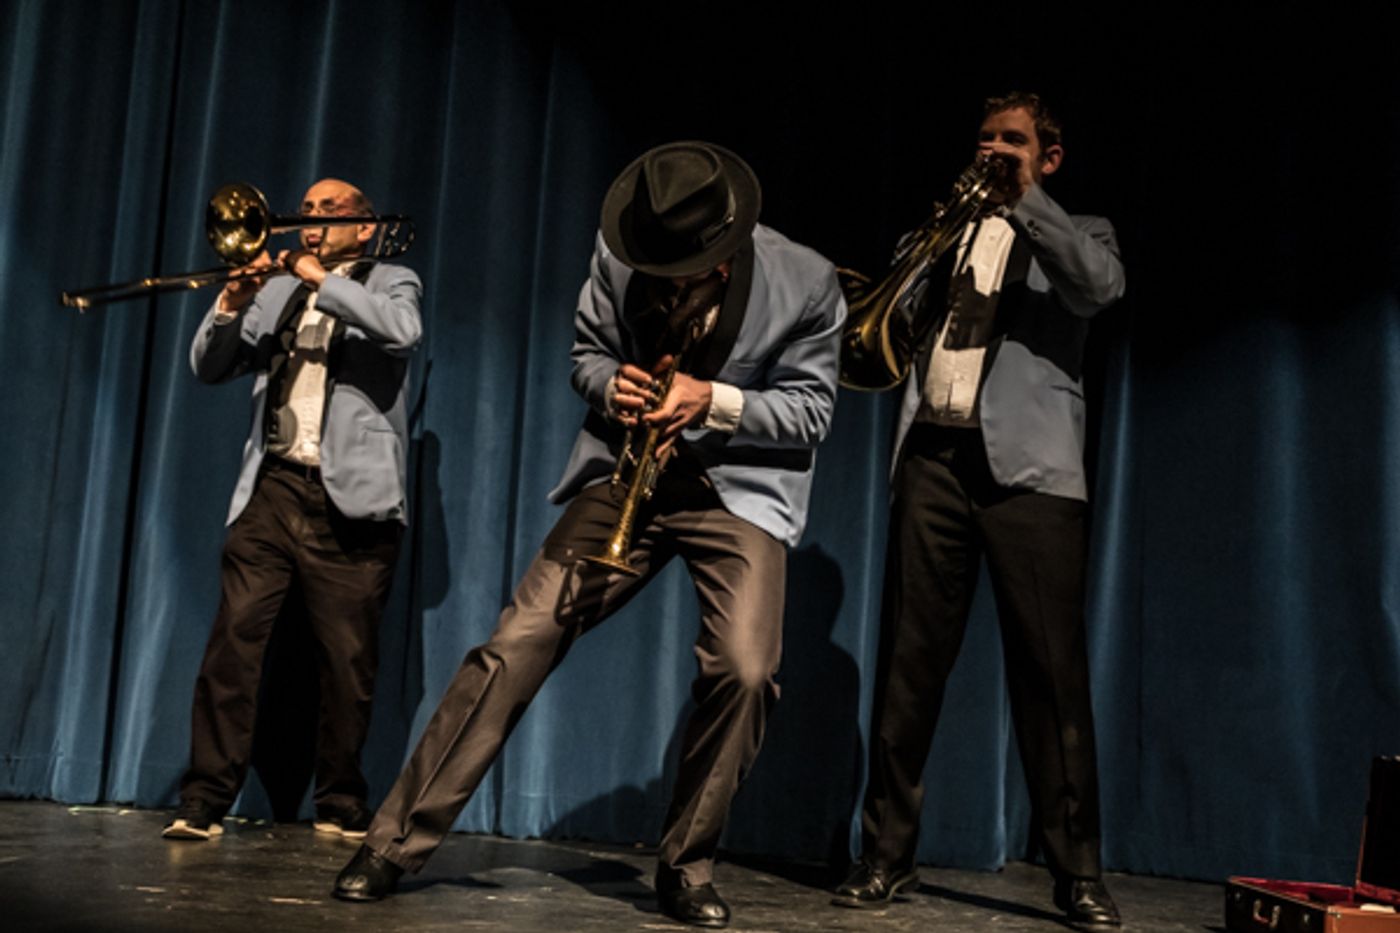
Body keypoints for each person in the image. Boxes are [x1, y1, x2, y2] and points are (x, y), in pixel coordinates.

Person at [331, 141, 844, 929]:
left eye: (686, 267)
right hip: (624, 472)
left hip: (737, 491)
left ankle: (686, 861)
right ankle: (393, 841)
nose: (666, 281)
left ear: (728, 248)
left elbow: (812, 412)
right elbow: (587, 356)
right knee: (517, 639)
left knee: (746, 670)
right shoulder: (620, 251)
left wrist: (712, 399)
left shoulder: (807, 280)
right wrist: (615, 385)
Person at [832, 93, 1126, 930]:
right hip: (932, 458)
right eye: (987, 139)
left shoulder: (1086, 228)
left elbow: (1098, 289)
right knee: (908, 669)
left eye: (1014, 141)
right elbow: (889, 320)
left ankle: (1077, 872)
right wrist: (926, 257)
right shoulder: (940, 233)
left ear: (1049, 156)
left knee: (1051, 678)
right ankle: (885, 856)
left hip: (1031, 476)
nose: (994, 151)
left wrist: (1025, 200)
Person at [162, 178, 423, 843]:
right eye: (305, 212)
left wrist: (317, 277)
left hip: (354, 502)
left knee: (347, 662)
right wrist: (232, 299)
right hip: (273, 489)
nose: (309, 222)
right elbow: (209, 365)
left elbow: (401, 332)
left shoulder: (392, 280)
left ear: (364, 227)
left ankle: (338, 800)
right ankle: (205, 798)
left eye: (328, 212)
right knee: (233, 644)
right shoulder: (276, 289)